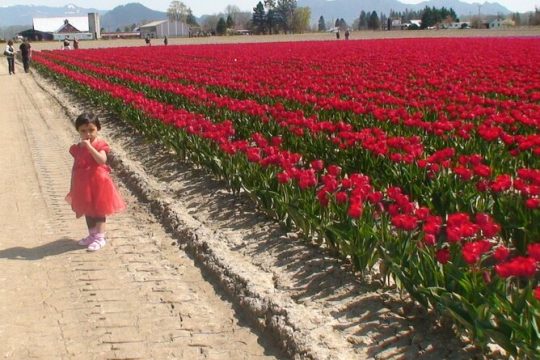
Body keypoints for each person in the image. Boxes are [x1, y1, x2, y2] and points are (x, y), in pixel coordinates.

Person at [66, 113, 126, 251]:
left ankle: (100, 237)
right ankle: (92, 235)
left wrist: (90, 147)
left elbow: (102, 160)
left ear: (98, 129)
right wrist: (73, 185)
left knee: (99, 210)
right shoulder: (78, 147)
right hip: (83, 184)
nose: (87, 134)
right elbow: (76, 166)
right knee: (88, 209)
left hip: (99, 183)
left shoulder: (99, 144)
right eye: (83, 131)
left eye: (91, 130)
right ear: (78, 131)